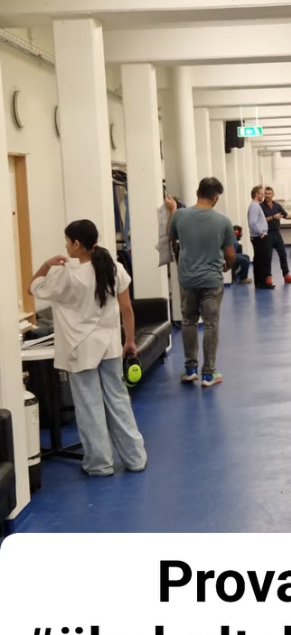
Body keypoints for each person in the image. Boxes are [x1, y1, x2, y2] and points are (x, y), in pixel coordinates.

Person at [29, 219, 147, 478]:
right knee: (118, 400)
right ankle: (135, 458)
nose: (65, 246)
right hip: (109, 346)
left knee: (89, 407)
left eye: (67, 241)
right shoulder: (113, 268)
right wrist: (129, 341)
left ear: (76, 244)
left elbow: (33, 286)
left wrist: (47, 264)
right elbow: (127, 309)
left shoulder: (64, 274)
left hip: (79, 349)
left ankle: (100, 464)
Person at [167, 177, 236, 387]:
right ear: (216, 198)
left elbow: (170, 237)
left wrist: (172, 210)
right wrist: (227, 266)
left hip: (187, 279)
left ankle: (190, 370)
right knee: (210, 325)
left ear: (197, 192)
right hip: (212, 279)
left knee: (188, 321)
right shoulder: (223, 221)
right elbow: (230, 254)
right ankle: (208, 374)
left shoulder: (180, 215)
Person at [261, 186, 291, 284]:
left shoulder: (277, 206)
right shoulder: (261, 206)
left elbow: (285, 215)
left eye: (269, 194)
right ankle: (268, 276)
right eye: (266, 193)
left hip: (276, 233)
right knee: (267, 256)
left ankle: (286, 275)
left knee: (283, 254)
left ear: (273, 195)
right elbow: (261, 220)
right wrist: (273, 217)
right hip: (267, 234)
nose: (267, 195)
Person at [248, 185, 274, 290]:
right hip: (259, 237)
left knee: (259, 260)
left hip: (259, 236)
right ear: (256, 194)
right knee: (262, 260)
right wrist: (260, 232)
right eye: (261, 193)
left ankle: (260, 282)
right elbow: (252, 222)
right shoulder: (254, 206)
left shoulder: (255, 205)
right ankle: (262, 282)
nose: (263, 195)